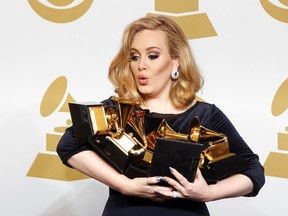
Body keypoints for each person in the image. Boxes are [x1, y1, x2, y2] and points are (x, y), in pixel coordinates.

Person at [57, 16, 265, 216]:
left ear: (176, 61)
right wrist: (125, 185)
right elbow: (68, 145)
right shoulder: (117, 110)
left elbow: (254, 171)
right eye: (134, 57)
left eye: (153, 55)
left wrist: (209, 193)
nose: (141, 66)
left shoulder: (205, 115)